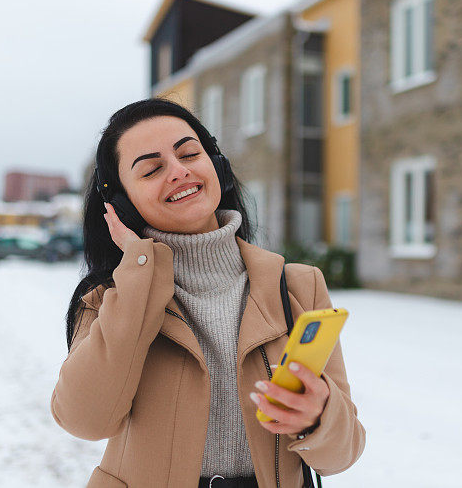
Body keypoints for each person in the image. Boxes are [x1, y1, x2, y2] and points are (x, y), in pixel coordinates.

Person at [50, 98, 366, 488]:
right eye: (151, 169)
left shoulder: (299, 286)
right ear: (120, 205)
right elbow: (85, 419)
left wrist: (318, 415)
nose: (180, 172)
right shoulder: (107, 299)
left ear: (216, 166)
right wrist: (138, 273)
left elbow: (343, 453)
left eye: (189, 153)